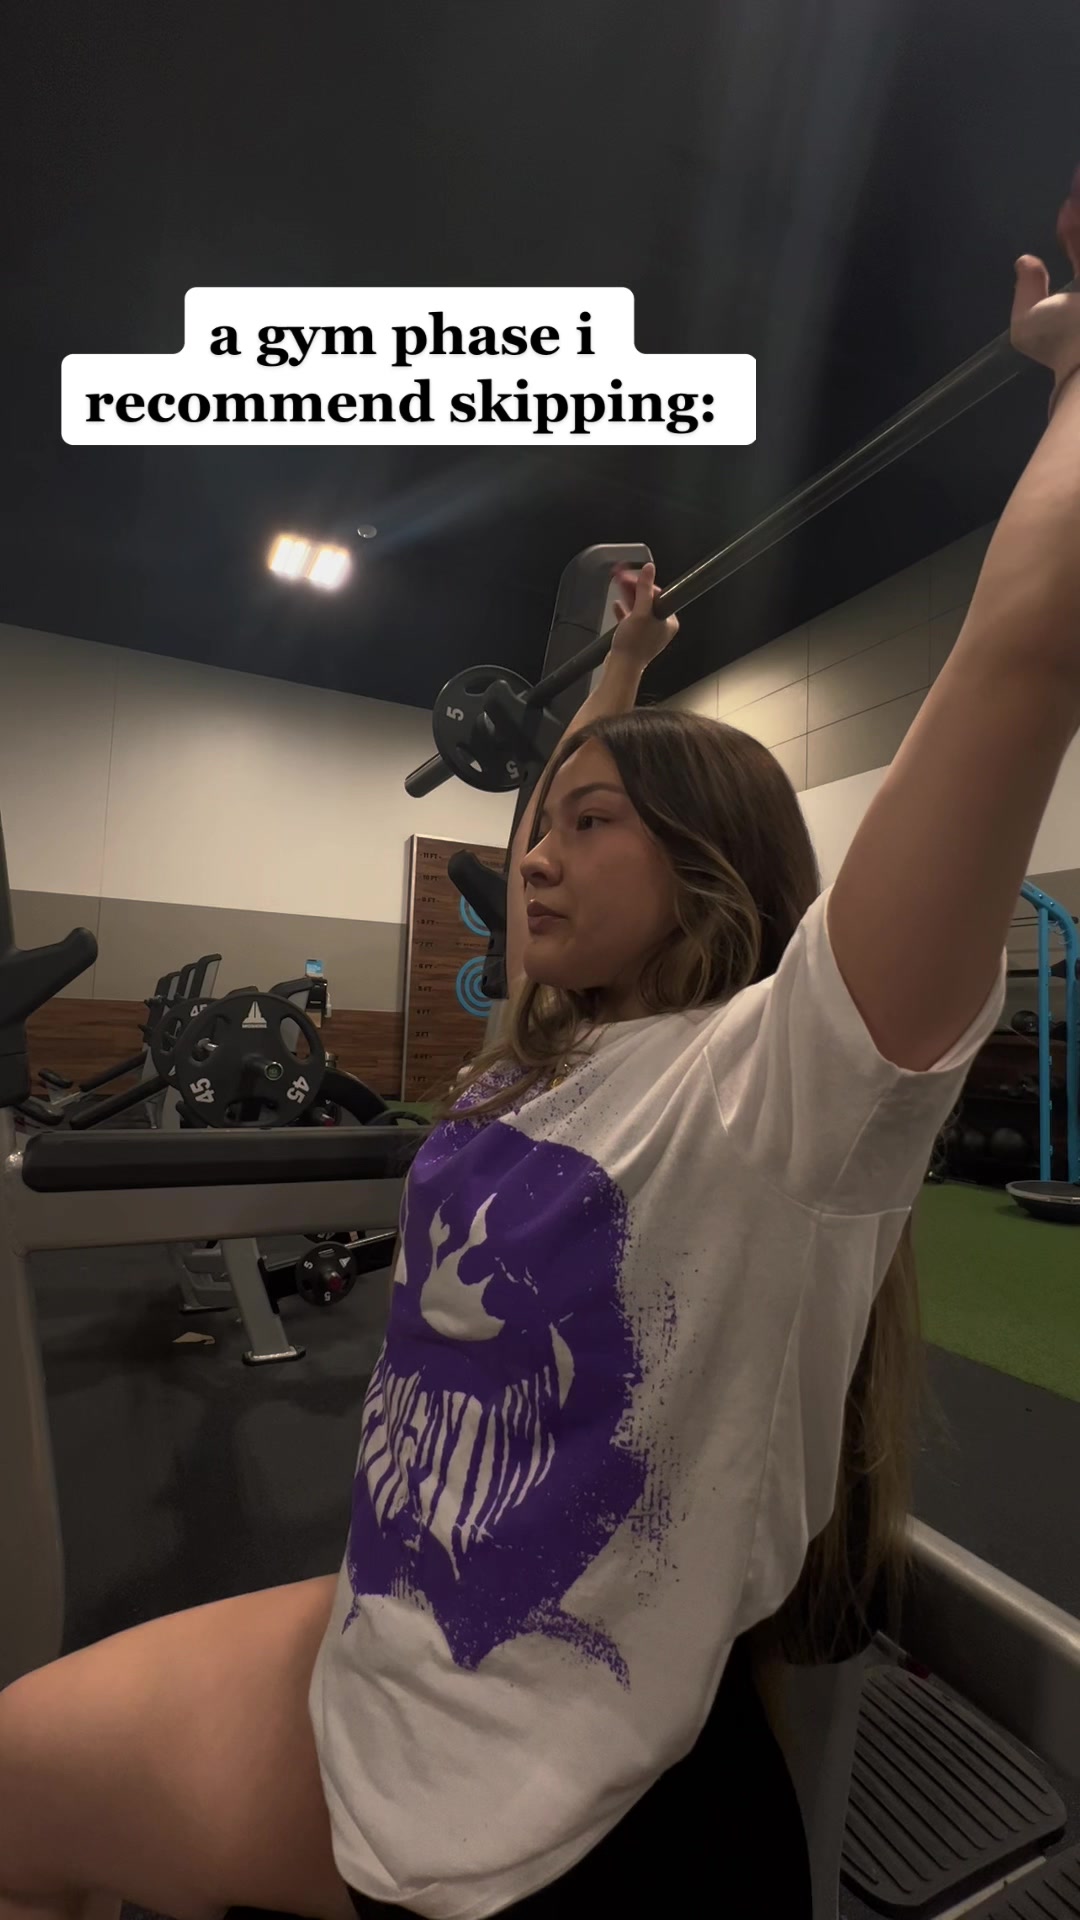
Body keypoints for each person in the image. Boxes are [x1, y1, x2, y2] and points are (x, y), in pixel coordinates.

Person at [4, 187, 1080, 1920]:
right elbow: (552, 848)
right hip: (382, 1636)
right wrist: (620, 673)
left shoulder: (771, 1086)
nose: (537, 864)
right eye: (539, 834)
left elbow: (1021, 657)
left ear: (705, 863)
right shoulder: (543, 1062)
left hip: (500, 1792)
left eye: (589, 829)